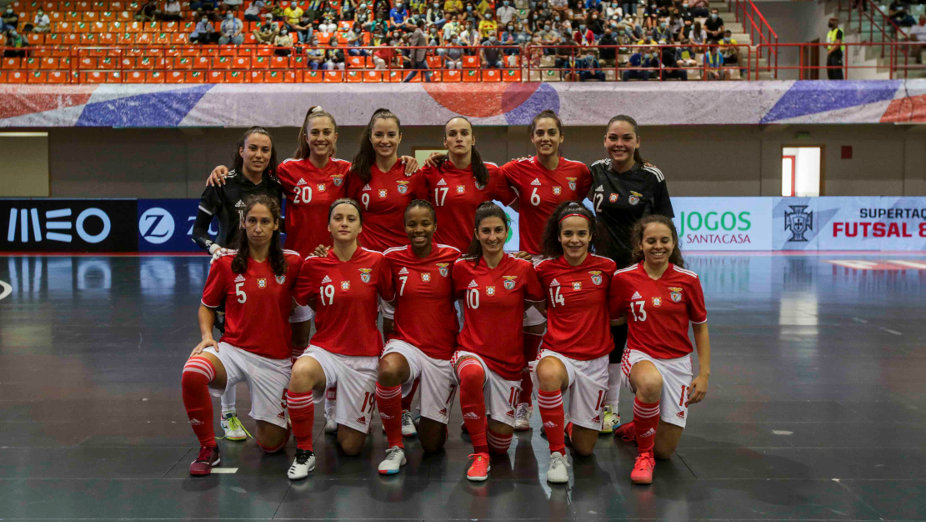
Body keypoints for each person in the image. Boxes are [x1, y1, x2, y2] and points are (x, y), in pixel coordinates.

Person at [182, 195, 303, 475]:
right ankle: (208, 447)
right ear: (243, 223)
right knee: (193, 372)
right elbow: (206, 306)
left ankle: (282, 418)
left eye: (265, 221)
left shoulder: (293, 263)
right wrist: (206, 335)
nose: (257, 228)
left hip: (275, 359)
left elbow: (304, 309)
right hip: (233, 351)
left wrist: (299, 352)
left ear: (275, 226)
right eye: (252, 221)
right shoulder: (225, 262)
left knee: (272, 445)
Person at [286, 199, 396, 479]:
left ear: (360, 226)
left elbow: (391, 304)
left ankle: (351, 408)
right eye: (338, 218)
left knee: (351, 448)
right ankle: (304, 452)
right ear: (329, 225)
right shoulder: (314, 263)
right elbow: (299, 301)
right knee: (300, 372)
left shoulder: (377, 261)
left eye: (350, 218)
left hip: (363, 357)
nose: (344, 223)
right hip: (326, 349)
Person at [499, 110, 592, 431]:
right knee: (530, 341)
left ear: (561, 137)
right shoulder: (518, 169)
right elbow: (488, 179)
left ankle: (568, 411)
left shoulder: (578, 172)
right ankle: (523, 405)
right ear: (532, 138)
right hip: (532, 265)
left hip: (567, 265)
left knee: (569, 338)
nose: (546, 138)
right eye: (540, 133)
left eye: (551, 132)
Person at [587, 114, 673, 433]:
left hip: (640, 274)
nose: (619, 144)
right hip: (602, 274)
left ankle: (647, 409)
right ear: (605, 141)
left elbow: (665, 228)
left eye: (626, 138)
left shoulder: (652, 176)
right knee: (608, 341)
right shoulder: (594, 171)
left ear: (637, 142)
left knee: (643, 339)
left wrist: (665, 273)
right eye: (613, 138)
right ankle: (607, 408)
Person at [611, 214, 711, 485]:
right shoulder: (623, 278)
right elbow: (614, 318)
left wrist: (703, 374)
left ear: (674, 243)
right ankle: (644, 456)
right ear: (640, 245)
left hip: (677, 362)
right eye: (651, 240)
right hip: (640, 356)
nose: (658, 246)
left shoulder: (688, 280)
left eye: (664, 240)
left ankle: (640, 426)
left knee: (665, 451)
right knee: (650, 383)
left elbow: (700, 326)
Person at [452, 202, 543, 481]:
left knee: (502, 445)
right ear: (477, 233)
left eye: (498, 230)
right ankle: (479, 453)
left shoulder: (523, 268)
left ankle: (484, 425)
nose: (492, 237)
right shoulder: (461, 268)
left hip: (508, 362)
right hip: (472, 352)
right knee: (471, 375)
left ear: (507, 232)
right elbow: (446, 304)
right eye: (486, 231)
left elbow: (538, 315)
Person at [376, 200, 462, 474]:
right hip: (406, 342)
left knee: (432, 444)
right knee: (388, 369)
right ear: (404, 227)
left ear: (435, 225)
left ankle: (424, 415)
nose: (419, 229)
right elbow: (357, 260)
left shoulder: (453, 256)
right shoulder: (391, 257)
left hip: (442, 352)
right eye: (412, 224)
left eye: (425, 223)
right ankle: (395, 447)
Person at [533, 202, 616, 483]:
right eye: (568, 234)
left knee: (585, 448)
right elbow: (539, 303)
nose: (575, 240)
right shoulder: (544, 269)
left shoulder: (607, 268)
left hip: (595, 361)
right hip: (558, 352)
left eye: (581, 233)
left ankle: (567, 426)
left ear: (591, 235)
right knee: (547, 374)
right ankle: (556, 454)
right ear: (558, 236)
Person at [421, 117, 513, 252]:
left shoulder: (490, 173)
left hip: (477, 257)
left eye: (464, 133)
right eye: (453, 134)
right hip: (441, 258)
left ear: (473, 140)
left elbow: (521, 206)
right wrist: (407, 161)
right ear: (445, 142)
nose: (459, 138)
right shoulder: (431, 170)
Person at [346, 109, 426, 252]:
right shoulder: (358, 173)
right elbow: (347, 215)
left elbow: (425, 218)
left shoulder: (413, 174)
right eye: (378, 135)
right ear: (370, 138)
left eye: (391, 135)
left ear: (400, 137)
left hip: (402, 256)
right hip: (367, 257)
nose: (385, 141)